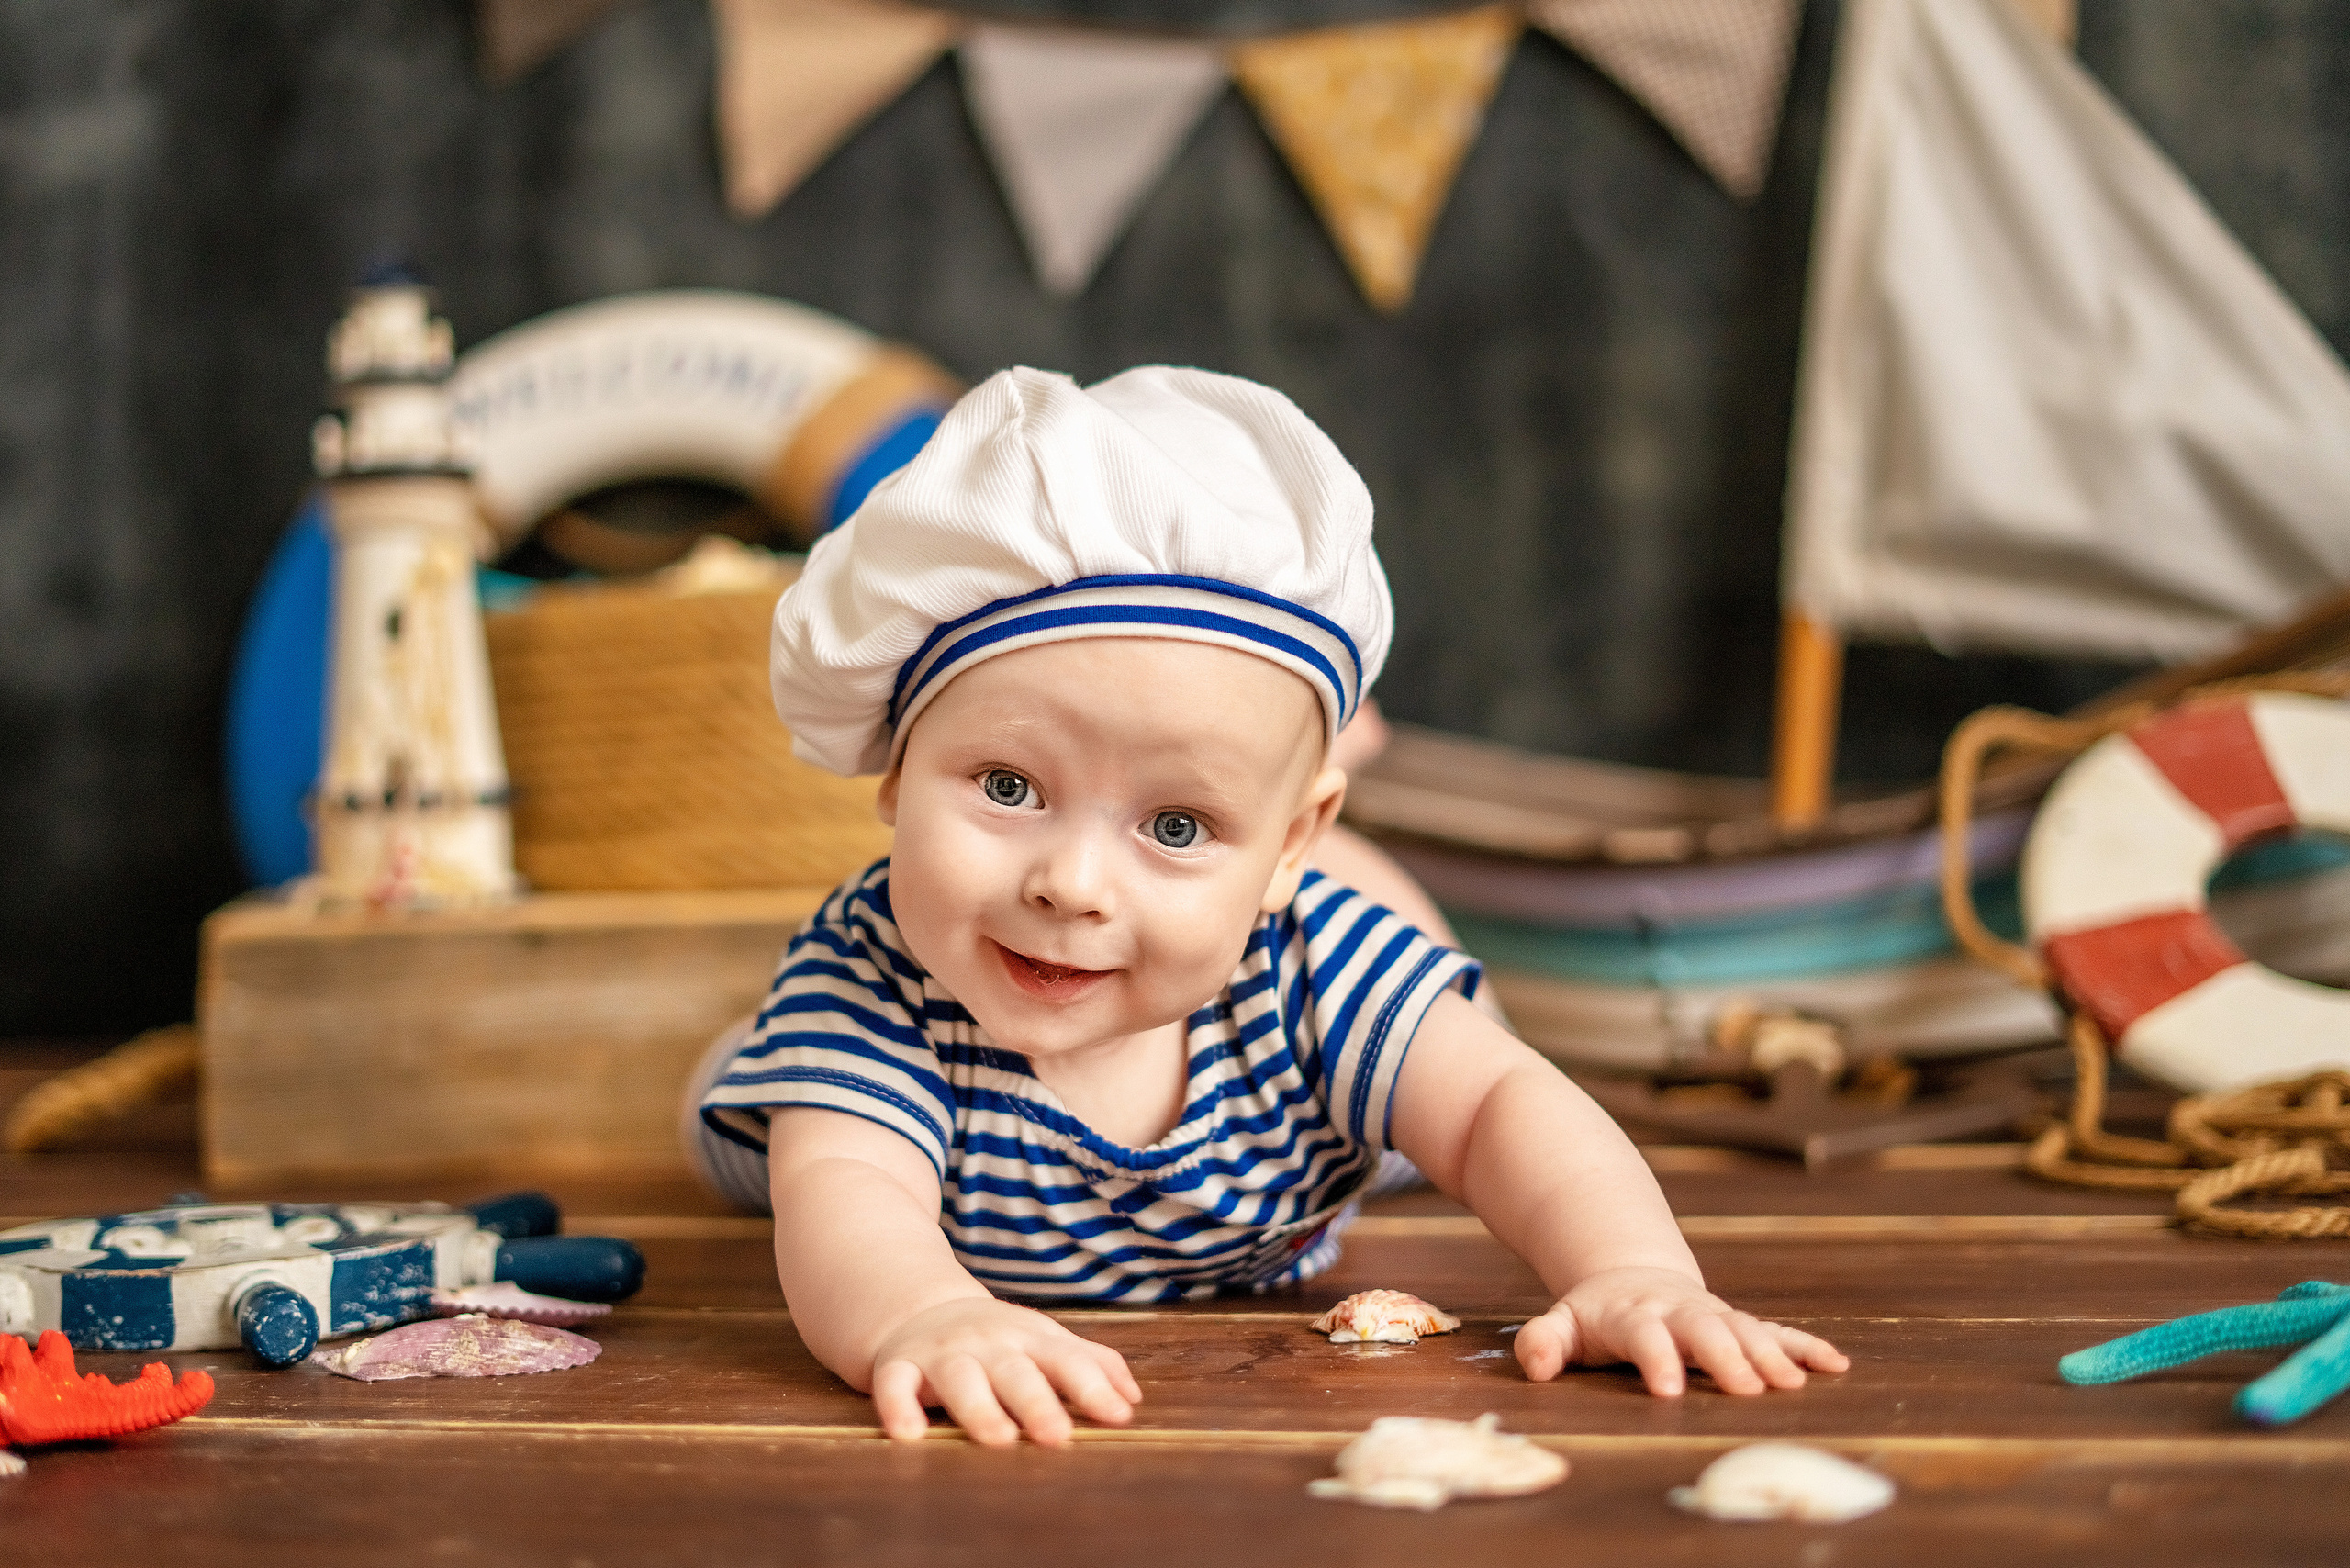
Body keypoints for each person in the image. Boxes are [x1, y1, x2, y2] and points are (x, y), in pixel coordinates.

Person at [691, 364, 1846, 1447]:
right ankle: (740, 1069)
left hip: (1279, 1144)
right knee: (768, 1102)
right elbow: (848, 1194)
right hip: (890, 1153)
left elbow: (1503, 1099)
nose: (1071, 883)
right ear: (893, 774)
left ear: (1292, 840)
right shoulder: (878, 976)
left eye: (1176, 826)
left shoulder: (1307, 963)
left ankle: (1350, 899)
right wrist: (918, 1312)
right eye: (1007, 787)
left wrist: (1630, 1271)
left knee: (1447, 1035)